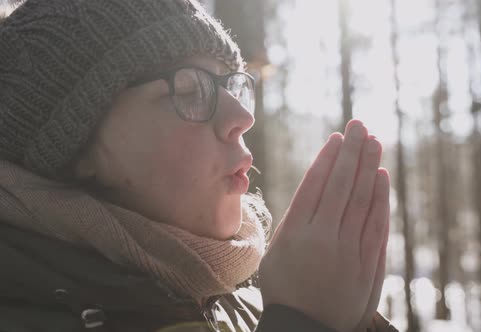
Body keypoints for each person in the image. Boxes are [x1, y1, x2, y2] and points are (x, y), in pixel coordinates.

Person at [0, 0, 396, 331]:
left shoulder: (243, 304)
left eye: (233, 86)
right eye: (189, 90)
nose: (242, 115)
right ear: (76, 146)